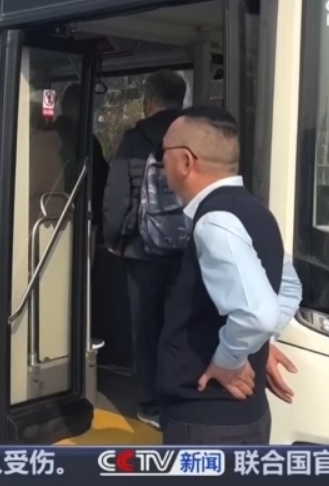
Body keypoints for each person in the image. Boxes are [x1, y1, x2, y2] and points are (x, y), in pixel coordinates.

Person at [158, 106, 303, 444]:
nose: (160, 162)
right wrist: (259, 344)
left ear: (185, 162)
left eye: (162, 152)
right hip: (247, 415)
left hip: (207, 421)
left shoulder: (215, 222)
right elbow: (289, 287)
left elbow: (258, 313)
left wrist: (228, 360)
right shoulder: (257, 212)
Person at [102, 70, 189, 428]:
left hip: (142, 251)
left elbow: (116, 197)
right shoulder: (194, 135)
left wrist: (112, 238)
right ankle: (178, 397)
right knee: (179, 325)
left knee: (146, 328)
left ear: (149, 101)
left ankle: (150, 403)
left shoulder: (134, 140)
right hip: (186, 249)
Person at [55, 84, 109, 244]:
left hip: (54, 216)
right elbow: (101, 181)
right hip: (81, 215)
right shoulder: (87, 141)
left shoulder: (49, 134)